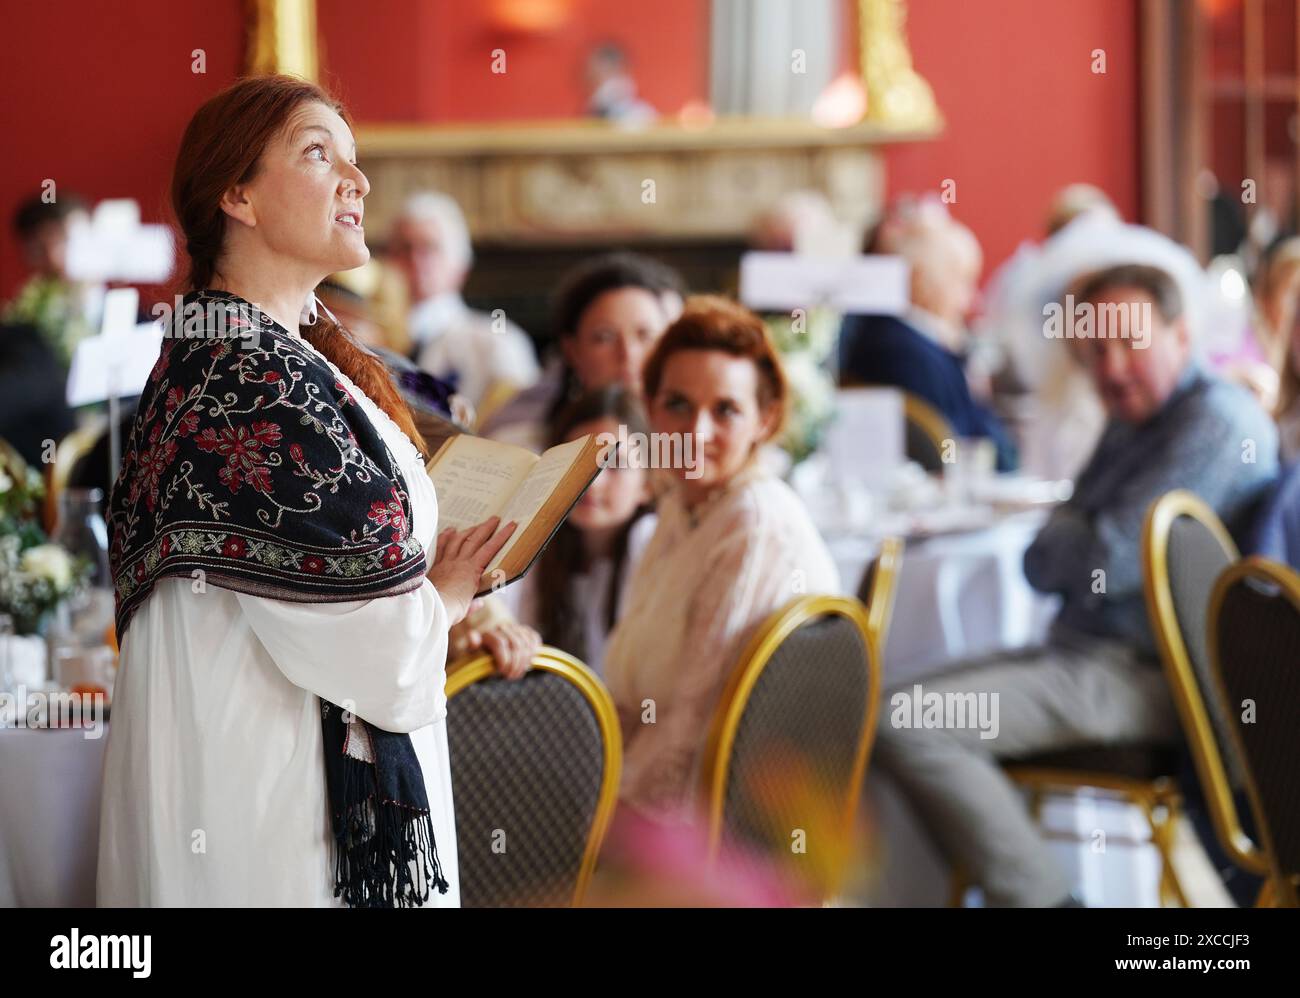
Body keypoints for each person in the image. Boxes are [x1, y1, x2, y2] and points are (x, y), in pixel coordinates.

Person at [98, 75, 524, 908]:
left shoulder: (272, 354)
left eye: (355, 160)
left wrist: (424, 579)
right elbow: (378, 655)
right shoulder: (249, 378)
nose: (358, 183)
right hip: (270, 801)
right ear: (239, 196)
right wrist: (443, 595)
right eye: (319, 154)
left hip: (263, 764)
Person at [873, 263, 1279, 907]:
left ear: (1181, 334)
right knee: (888, 697)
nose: (1110, 367)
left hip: (1154, 679)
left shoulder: (1218, 423)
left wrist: (1078, 530)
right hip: (1083, 653)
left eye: (1129, 343)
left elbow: (1106, 555)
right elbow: (1040, 560)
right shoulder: (1133, 420)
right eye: (1094, 348)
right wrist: (1078, 534)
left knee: (904, 721)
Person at [603, 296, 839, 821]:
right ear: (649, 403)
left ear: (766, 418)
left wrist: (595, 822)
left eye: (726, 410)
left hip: (723, 831)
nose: (695, 434)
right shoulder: (681, 507)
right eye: (678, 404)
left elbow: (691, 732)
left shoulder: (752, 523)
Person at [839, 197, 1018, 471]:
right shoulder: (909, 354)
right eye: (962, 283)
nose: (972, 301)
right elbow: (986, 453)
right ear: (922, 281)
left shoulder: (892, 339)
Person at [496, 385, 656, 677]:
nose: (592, 483)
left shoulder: (649, 541)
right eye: (577, 463)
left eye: (616, 465)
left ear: (648, 484)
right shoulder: (535, 542)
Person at [480, 251, 685, 453]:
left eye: (645, 335)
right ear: (573, 351)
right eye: (605, 337)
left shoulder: (691, 445)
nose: (628, 353)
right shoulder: (522, 448)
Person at [387, 191, 539, 412]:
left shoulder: (498, 341)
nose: (416, 260)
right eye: (405, 248)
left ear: (461, 266)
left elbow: (520, 427)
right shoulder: (364, 338)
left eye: (430, 247)